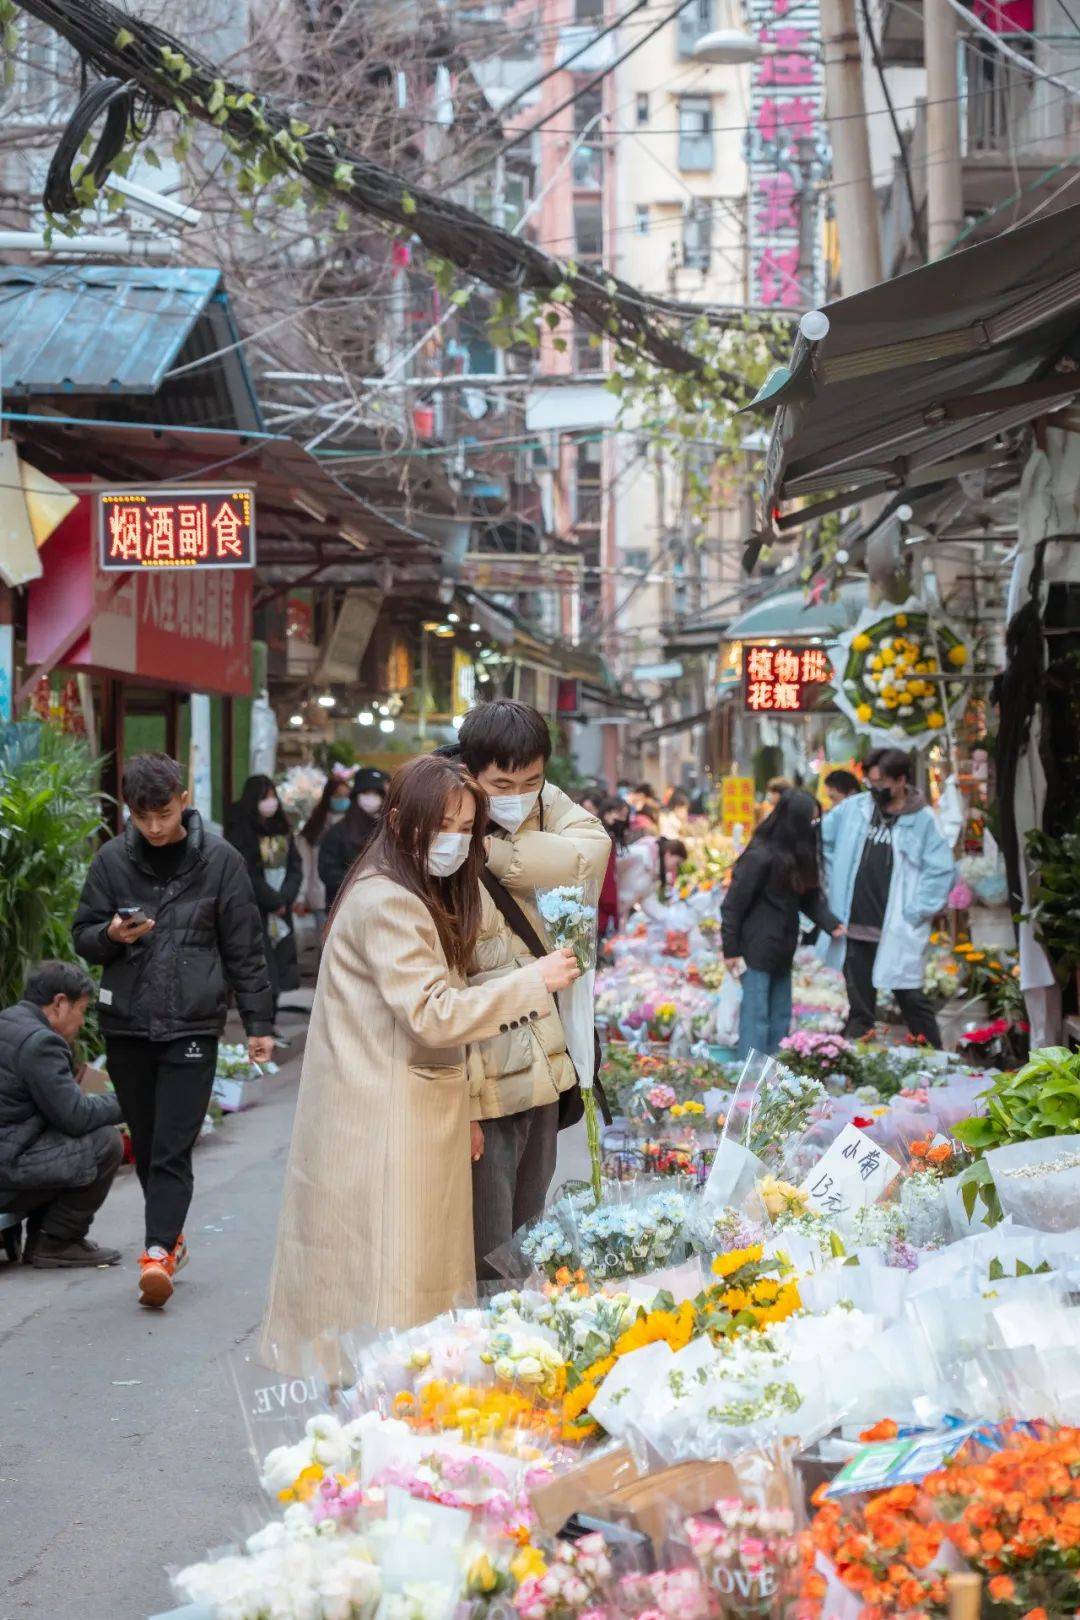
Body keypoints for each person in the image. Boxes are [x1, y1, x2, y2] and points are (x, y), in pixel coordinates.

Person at [261, 754, 579, 1373]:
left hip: (404, 1113)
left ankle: (387, 1407)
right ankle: (380, 1412)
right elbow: (433, 1013)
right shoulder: (388, 901)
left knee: (400, 1283)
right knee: (391, 1284)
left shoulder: (409, 890)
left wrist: (464, 1110)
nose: (457, 843)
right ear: (403, 820)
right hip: (383, 1120)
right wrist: (532, 982)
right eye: (446, 826)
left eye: (467, 828)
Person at [73, 753, 274, 1308]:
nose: (156, 828)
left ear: (184, 800)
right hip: (127, 1024)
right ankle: (169, 1239)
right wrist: (112, 934)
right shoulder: (112, 860)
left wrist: (259, 1022)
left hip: (193, 1024)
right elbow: (82, 936)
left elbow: (244, 947)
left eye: (164, 814)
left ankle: (157, 1250)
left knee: (171, 1146)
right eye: (144, 818)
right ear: (130, 814)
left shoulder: (222, 861)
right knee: (148, 1138)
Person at [451, 700, 611, 1274]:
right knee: (487, 1246)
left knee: (526, 1233)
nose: (518, 795)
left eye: (532, 782)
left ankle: (517, 1338)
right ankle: (483, 1347)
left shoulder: (540, 811)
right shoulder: (445, 827)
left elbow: (590, 855)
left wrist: (498, 853)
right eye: (501, 784)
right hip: (484, 1068)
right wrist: (464, 1098)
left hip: (546, 1056)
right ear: (470, 774)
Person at [819, 747, 955, 1047]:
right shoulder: (855, 808)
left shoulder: (923, 820)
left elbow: (941, 869)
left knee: (910, 997)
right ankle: (856, 1070)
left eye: (880, 783)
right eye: (869, 782)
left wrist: (917, 910)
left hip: (897, 927)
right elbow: (823, 841)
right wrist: (833, 883)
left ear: (901, 779)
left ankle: (935, 1059)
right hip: (854, 924)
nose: (874, 789)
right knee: (859, 1006)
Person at [0, 961, 123, 1269]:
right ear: (59, 1003)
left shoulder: (8, 1020)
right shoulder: (41, 1042)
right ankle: (57, 1240)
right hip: (7, 1168)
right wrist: (133, 1102)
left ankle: (44, 1235)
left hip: (10, 1148)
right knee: (104, 1141)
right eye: (81, 1009)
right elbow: (76, 1116)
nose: (82, 1021)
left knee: (60, 1140)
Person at [721, 790, 844, 1058]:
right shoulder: (760, 855)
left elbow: (807, 898)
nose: (814, 828)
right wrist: (730, 950)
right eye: (810, 822)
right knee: (756, 1017)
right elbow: (733, 904)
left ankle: (773, 1081)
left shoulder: (798, 855)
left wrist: (831, 924)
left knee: (780, 1017)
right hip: (756, 949)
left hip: (783, 948)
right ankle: (749, 1081)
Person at [226, 775, 303, 1013]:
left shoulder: (282, 828)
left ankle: (273, 1017)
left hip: (281, 908)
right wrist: (272, 900)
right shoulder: (240, 830)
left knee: (280, 962)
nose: (270, 803)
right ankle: (261, 1020)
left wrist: (285, 898)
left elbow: (295, 866)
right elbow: (247, 871)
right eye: (264, 797)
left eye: (272, 797)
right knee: (261, 966)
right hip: (255, 908)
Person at [318, 767, 388, 912]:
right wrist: (364, 878)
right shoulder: (338, 832)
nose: (371, 798)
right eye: (366, 793)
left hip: (382, 908)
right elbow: (327, 872)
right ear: (356, 795)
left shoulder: (388, 829)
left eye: (376, 793)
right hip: (345, 909)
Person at [297, 768, 355, 934]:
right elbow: (305, 865)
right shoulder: (316, 826)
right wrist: (301, 896)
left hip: (343, 894)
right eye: (338, 795)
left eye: (346, 796)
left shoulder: (354, 825)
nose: (343, 800)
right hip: (318, 894)